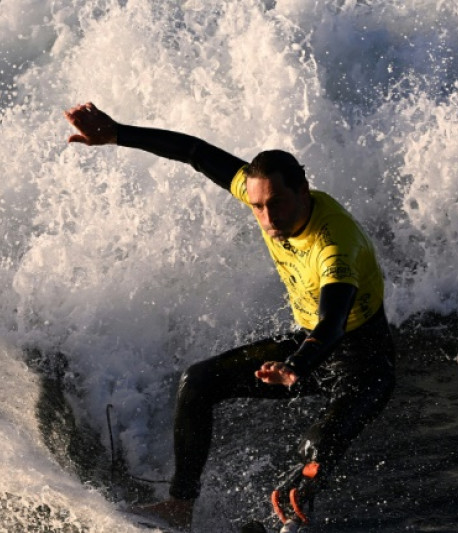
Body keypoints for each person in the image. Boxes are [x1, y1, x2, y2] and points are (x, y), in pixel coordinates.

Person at [64, 102, 396, 531]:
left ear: (303, 190)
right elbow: (195, 153)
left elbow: (332, 324)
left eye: (276, 204)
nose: (267, 218)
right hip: (310, 345)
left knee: (315, 451)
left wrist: (295, 367)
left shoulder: (334, 244)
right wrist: (118, 134)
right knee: (198, 382)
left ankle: (290, 517)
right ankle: (180, 507)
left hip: (363, 362)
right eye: (258, 206)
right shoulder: (260, 193)